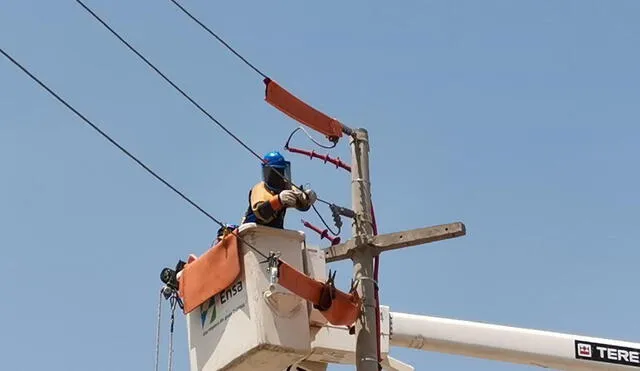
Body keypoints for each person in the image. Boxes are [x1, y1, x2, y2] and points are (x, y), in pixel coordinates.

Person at [241, 151, 317, 229]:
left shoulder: (286, 186)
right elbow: (261, 213)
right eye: (273, 172)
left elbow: (301, 204)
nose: (277, 176)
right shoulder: (260, 189)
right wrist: (278, 200)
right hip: (251, 231)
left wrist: (307, 198)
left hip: (274, 234)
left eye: (280, 171)